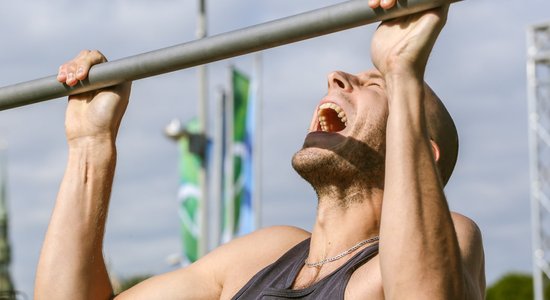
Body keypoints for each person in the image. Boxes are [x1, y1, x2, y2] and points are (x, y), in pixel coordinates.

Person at [34, 0, 485, 299]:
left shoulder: (452, 238)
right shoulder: (264, 255)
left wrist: (403, 71)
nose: (336, 77)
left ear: (423, 150)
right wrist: (90, 145)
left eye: (372, 84)